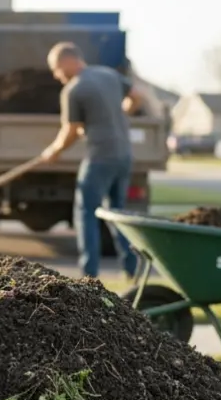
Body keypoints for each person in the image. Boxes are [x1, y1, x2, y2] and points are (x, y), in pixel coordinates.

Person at [37, 41, 143, 279]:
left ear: (69, 61)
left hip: (99, 159)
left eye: (56, 68)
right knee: (118, 215)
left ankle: (89, 276)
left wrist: (53, 152)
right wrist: (121, 114)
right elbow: (137, 96)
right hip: (124, 156)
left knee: (86, 213)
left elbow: (71, 130)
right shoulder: (109, 75)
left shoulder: (75, 89)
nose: (56, 75)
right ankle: (132, 271)